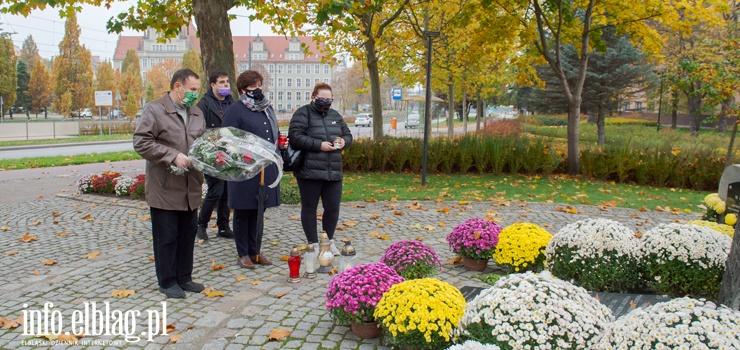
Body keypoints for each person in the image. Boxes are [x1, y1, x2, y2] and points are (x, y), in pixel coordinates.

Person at [133, 68, 207, 299]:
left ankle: (184, 277)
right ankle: (167, 281)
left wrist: (211, 155)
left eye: (197, 90)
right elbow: (141, 142)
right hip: (165, 187)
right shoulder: (155, 109)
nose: (196, 94)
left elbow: (201, 142)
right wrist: (172, 155)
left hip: (190, 186)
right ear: (178, 87)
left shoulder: (196, 113)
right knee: (167, 237)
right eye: (192, 90)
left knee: (187, 235)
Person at [222, 70, 286, 269]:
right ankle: (243, 253)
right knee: (243, 211)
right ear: (243, 90)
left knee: (259, 210)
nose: (257, 90)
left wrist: (280, 145)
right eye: (252, 87)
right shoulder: (235, 110)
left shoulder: (266, 108)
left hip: (266, 168)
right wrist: (245, 153)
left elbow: (271, 134)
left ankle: (255, 251)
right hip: (245, 169)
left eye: (259, 86)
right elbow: (227, 140)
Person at [288, 82, 352, 255]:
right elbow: (295, 137)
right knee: (310, 208)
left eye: (328, 98)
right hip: (310, 170)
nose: (325, 101)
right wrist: (318, 145)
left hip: (334, 170)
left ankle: (329, 240)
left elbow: (347, 134)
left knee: (332, 208)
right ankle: (314, 244)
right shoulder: (302, 113)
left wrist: (345, 141)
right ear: (313, 97)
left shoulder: (335, 115)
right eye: (321, 98)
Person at [195, 71, 235, 241]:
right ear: (213, 85)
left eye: (227, 82)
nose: (226, 85)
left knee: (227, 191)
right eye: (221, 82)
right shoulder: (204, 104)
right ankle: (201, 225)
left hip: (229, 154)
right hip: (211, 154)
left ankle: (223, 227)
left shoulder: (232, 102)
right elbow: (197, 129)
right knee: (216, 190)